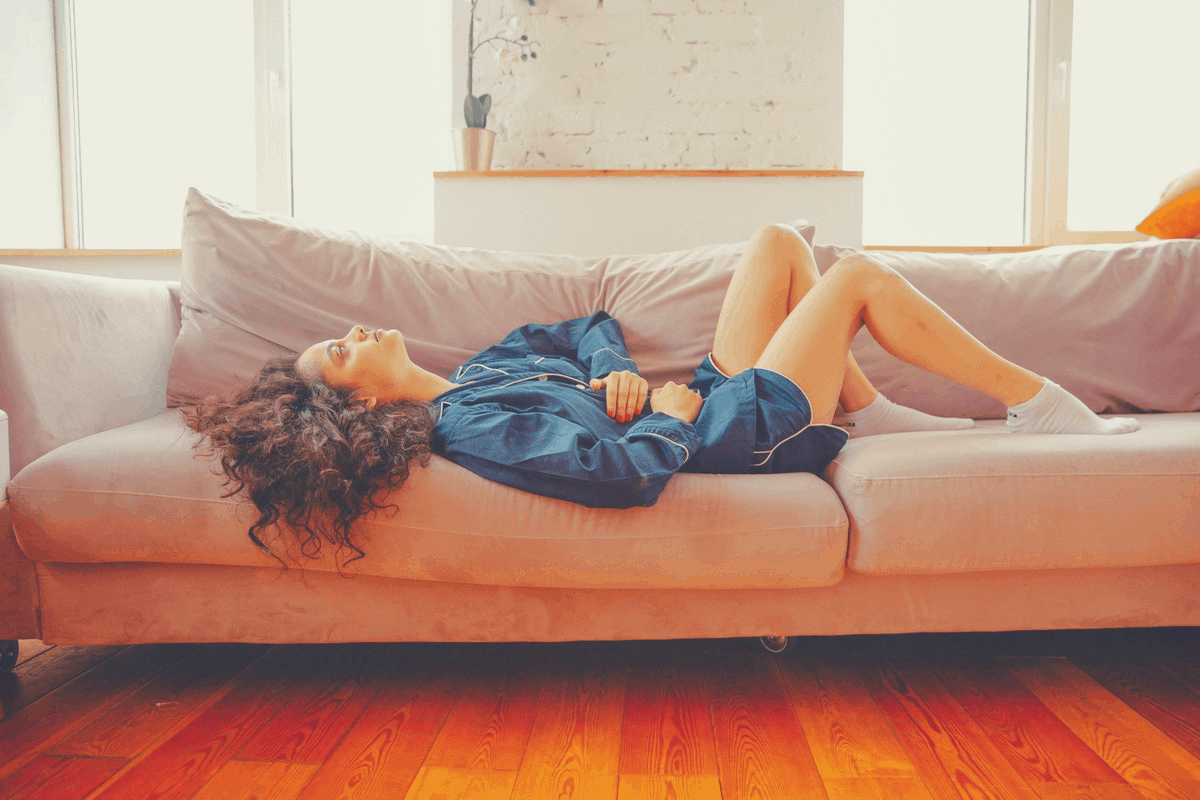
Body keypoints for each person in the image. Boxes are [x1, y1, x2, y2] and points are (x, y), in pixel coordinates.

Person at [188, 225, 1137, 567]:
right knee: (858, 282)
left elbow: (583, 320)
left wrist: (612, 367)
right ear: (358, 407)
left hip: (717, 395)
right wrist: (672, 429)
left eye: (345, 334)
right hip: (731, 432)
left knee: (777, 245)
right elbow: (607, 478)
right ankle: (1041, 402)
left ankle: (877, 417)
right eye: (342, 354)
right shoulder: (465, 424)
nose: (356, 333)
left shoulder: (481, 371)